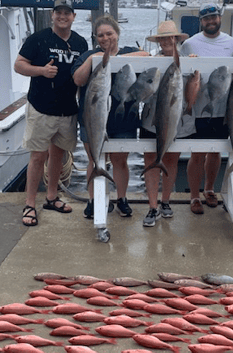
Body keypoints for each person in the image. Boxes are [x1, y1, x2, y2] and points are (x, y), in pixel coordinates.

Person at [14, 0, 88, 227]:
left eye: (67, 13)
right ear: (52, 16)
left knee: (58, 155)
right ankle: (29, 203)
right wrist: (41, 71)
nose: (62, 16)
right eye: (59, 13)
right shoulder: (37, 39)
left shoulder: (80, 42)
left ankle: (51, 197)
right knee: (37, 157)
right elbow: (19, 65)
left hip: (68, 110)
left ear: (74, 16)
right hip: (41, 107)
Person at [72, 15, 149, 219]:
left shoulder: (128, 53)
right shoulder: (89, 55)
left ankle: (121, 199)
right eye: (100, 35)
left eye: (109, 34)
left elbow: (147, 55)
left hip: (123, 120)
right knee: (93, 160)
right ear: (95, 38)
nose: (105, 38)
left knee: (120, 161)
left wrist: (114, 59)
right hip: (91, 118)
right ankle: (93, 200)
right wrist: (92, 59)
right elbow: (78, 79)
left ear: (117, 34)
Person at [180, 3, 233, 215]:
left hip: (224, 109)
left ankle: (209, 189)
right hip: (198, 109)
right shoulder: (189, 44)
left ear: (220, 18)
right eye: (207, 19)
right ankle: (194, 196)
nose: (211, 21)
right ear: (201, 21)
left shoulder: (232, 44)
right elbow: (183, 73)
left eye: (214, 17)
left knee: (216, 153)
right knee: (197, 154)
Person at [140, 21, 196, 227]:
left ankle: (165, 202)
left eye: (170, 37)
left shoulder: (189, 63)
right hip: (151, 121)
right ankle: (152, 206)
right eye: (162, 38)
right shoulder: (150, 63)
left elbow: (195, 91)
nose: (166, 41)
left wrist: (194, 66)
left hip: (178, 121)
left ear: (177, 40)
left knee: (171, 161)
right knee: (150, 161)